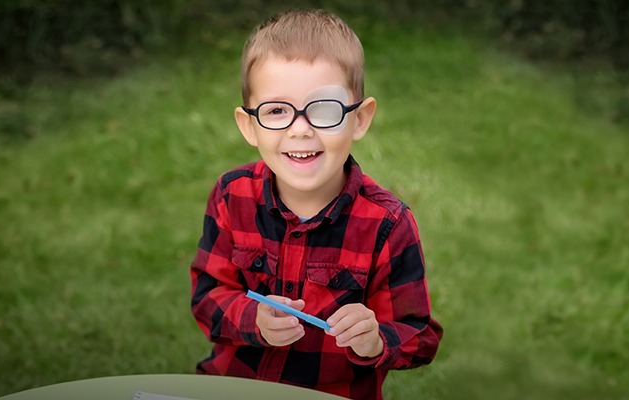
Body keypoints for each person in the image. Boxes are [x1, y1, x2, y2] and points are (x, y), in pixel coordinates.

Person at [188, 8, 443, 400]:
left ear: (359, 119)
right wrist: (251, 318)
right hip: (230, 387)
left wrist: (376, 340)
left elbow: (420, 335)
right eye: (276, 110)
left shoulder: (387, 224)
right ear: (248, 125)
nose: (301, 128)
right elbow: (207, 295)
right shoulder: (231, 194)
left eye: (324, 109)